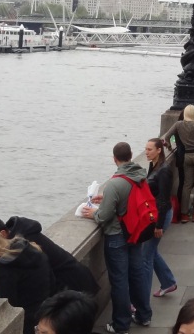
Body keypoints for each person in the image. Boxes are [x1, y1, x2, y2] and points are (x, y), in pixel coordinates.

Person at [80, 141, 148, 334]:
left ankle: (121, 324)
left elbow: (104, 216)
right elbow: (129, 198)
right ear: (131, 155)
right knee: (137, 274)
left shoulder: (114, 183)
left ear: (114, 159)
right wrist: (108, 198)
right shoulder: (140, 175)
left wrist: (93, 213)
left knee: (119, 280)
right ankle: (144, 315)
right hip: (136, 231)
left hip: (117, 236)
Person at [0, 215, 97, 295]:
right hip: (77, 281)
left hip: (73, 286)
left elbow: (14, 279)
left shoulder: (23, 247)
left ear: (2, 234)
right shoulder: (19, 240)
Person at [0, 230, 54, 334]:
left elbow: (7, 305)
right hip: (44, 311)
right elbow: (49, 280)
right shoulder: (30, 248)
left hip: (26, 321)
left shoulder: (3, 267)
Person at [134, 139, 178, 326]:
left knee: (146, 258)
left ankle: (141, 306)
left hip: (160, 217)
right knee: (152, 251)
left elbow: (163, 200)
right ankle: (168, 282)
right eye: (145, 149)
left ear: (159, 150)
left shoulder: (164, 171)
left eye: (150, 149)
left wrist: (158, 226)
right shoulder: (154, 167)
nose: (146, 152)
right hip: (155, 216)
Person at [162, 105, 194, 223]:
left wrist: (169, 146)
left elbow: (166, 137)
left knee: (186, 185)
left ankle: (184, 214)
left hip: (186, 156)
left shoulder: (178, 124)